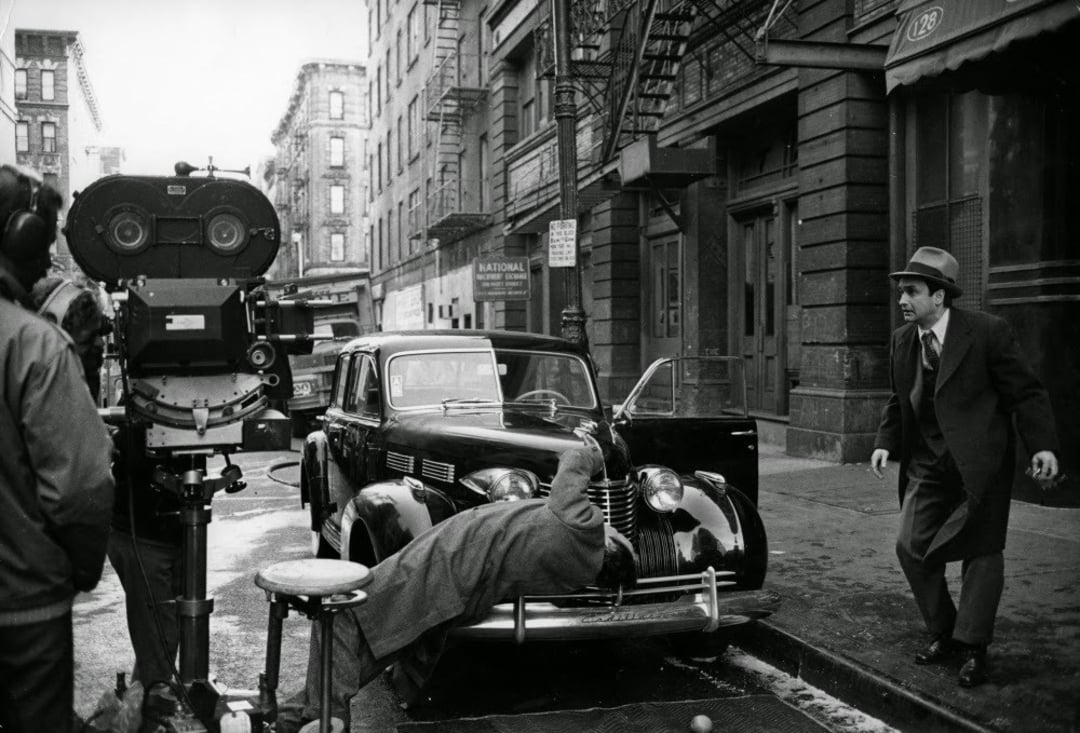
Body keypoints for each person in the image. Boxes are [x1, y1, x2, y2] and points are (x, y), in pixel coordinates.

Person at [281, 444, 631, 730]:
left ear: (610, 547)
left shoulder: (583, 534)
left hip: (445, 562)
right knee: (368, 652)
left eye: (618, 536)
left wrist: (597, 451)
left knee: (339, 609)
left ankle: (329, 722)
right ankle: (285, 719)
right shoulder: (575, 574)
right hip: (457, 597)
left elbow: (573, 462)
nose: (614, 528)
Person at [870, 246, 1060, 688]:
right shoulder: (902, 340)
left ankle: (974, 647)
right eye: (901, 291)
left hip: (981, 464)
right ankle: (944, 630)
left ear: (939, 296)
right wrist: (884, 442)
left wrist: (1043, 447)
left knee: (982, 552)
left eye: (912, 291)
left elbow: (1025, 392)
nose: (902, 300)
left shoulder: (987, 332)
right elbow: (899, 399)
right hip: (927, 464)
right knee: (909, 545)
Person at [0, 164, 115, 731]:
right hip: (23, 610)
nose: (47, 263)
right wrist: (78, 570)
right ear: (19, 238)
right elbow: (81, 488)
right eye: (42, 244)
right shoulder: (34, 345)